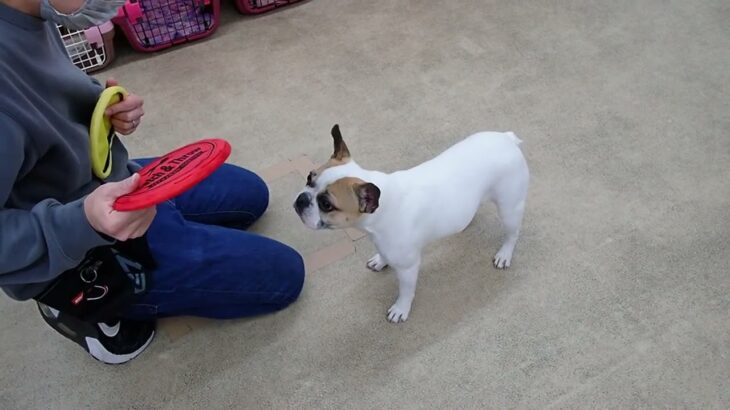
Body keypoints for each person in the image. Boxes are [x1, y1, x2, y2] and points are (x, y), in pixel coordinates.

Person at [0, 0, 305, 365]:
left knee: (251, 194)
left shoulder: (28, 13)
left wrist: (102, 107)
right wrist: (83, 224)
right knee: (284, 276)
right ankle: (81, 306)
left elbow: (44, 106)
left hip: (108, 181)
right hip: (83, 236)